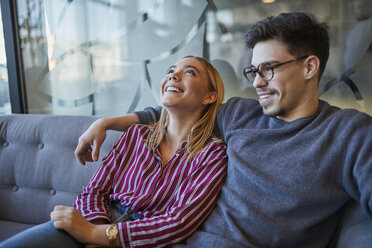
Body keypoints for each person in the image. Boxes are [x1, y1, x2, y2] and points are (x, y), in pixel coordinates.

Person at [75, 12, 372, 247]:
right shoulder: (240, 114)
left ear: (309, 68)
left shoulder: (349, 133)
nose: (256, 82)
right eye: (253, 71)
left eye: (268, 69)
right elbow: (170, 112)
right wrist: (106, 123)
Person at [0, 56, 227, 248]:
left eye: (189, 72)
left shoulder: (213, 155)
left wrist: (100, 236)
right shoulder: (136, 135)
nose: (173, 75)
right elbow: (94, 191)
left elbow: (178, 223)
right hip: (95, 220)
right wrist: (95, 230)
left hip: (143, 239)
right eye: (170, 70)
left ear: (209, 96)